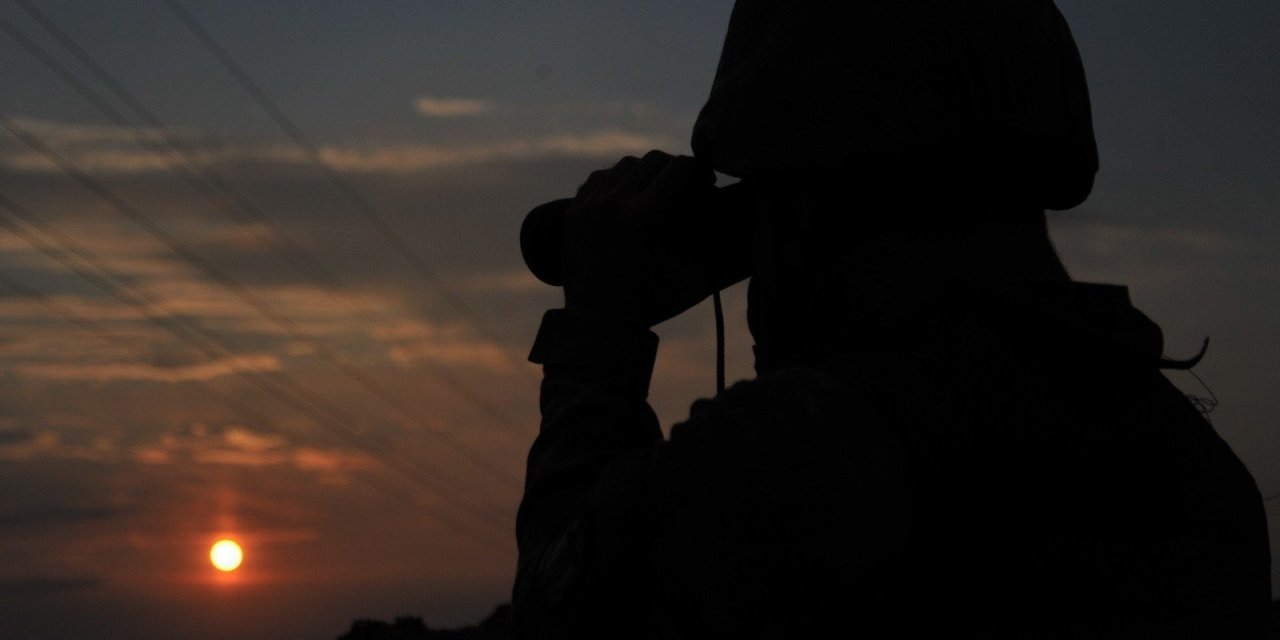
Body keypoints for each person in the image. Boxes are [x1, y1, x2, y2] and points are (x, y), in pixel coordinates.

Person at [513, 1, 1272, 638]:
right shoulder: (1200, 473)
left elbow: (563, 608)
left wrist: (600, 336)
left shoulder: (811, 448)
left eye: (769, 200)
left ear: (807, 205)